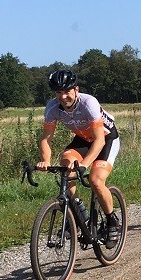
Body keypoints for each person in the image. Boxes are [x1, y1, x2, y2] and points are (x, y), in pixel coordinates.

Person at [37, 69, 122, 248]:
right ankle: (78, 212)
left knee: (96, 180)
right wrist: (45, 160)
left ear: (76, 89)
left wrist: (83, 164)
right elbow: (46, 138)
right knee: (66, 163)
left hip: (106, 139)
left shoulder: (88, 103)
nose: (63, 96)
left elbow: (99, 140)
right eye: (59, 92)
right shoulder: (52, 107)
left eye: (67, 91)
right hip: (83, 139)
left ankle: (112, 221)